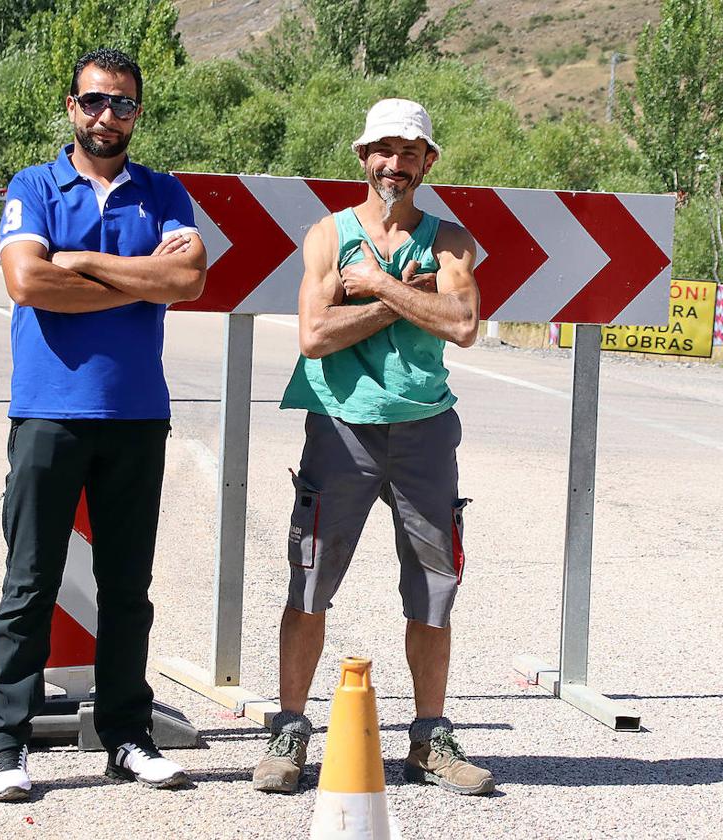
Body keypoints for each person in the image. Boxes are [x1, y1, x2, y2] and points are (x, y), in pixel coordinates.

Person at [0, 47, 207, 801]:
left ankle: (127, 737)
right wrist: (137, 281)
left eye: (124, 104)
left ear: (139, 113)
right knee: (30, 582)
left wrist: (79, 262)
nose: (109, 116)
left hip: (138, 414)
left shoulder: (163, 192)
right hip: (49, 412)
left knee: (127, 589)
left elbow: (187, 279)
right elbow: (25, 280)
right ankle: (5, 740)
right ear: (72, 107)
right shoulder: (34, 184)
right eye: (95, 101)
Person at [252, 98, 494, 796]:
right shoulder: (329, 237)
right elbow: (315, 336)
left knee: (434, 589)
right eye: (383, 150)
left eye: (410, 151)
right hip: (340, 427)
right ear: (364, 158)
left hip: (425, 431)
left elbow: (464, 322)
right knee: (309, 580)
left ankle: (429, 739)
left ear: (428, 162)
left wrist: (380, 287)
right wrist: (407, 299)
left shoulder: (450, 241)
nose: (396, 164)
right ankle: (290, 730)